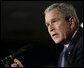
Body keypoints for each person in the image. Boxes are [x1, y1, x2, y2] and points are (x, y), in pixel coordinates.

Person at [11, 3, 83, 67]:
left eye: (54, 21)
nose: (50, 28)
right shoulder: (63, 55)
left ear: (71, 22)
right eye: (47, 25)